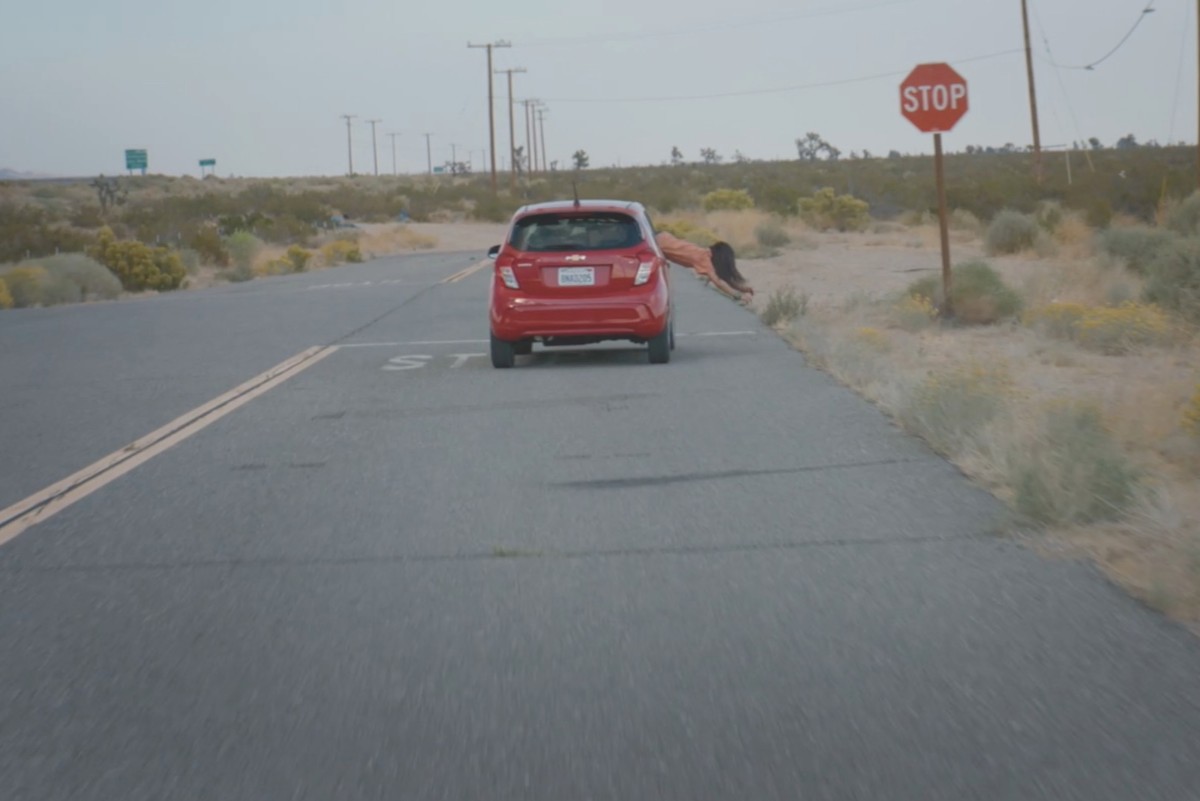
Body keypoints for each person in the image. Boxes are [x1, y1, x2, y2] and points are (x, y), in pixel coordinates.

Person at [654, 231, 755, 304]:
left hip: (662, 239)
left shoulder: (705, 254)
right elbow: (718, 281)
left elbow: (722, 279)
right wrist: (738, 295)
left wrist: (742, 288)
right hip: (658, 242)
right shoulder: (704, 258)